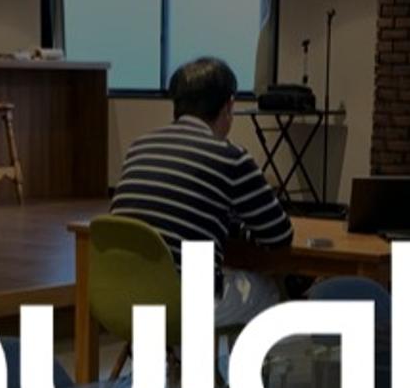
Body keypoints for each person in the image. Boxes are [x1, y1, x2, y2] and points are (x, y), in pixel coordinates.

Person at [110, 56, 293, 324]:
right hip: (183, 304)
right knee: (267, 291)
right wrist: (240, 229)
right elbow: (279, 236)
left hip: (120, 295)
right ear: (228, 106)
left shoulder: (139, 146)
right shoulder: (231, 158)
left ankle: (174, 351)